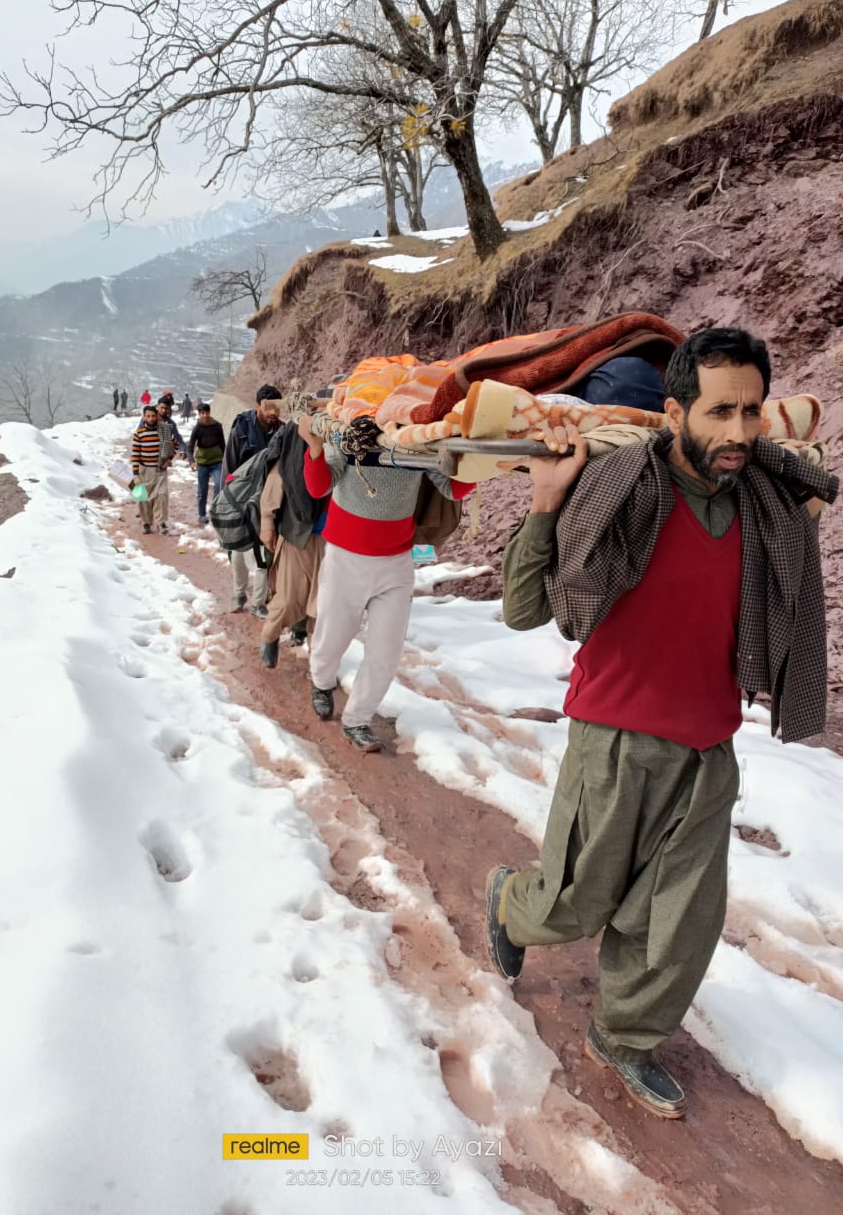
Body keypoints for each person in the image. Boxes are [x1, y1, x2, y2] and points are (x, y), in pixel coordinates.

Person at [486, 327, 837, 1120]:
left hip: (708, 746)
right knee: (576, 902)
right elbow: (524, 609)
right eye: (719, 412)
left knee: (677, 923)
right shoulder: (616, 489)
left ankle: (623, 1037)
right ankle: (511, 901)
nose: (740, 432)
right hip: (613, 737)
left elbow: (789, 564)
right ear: (675, 412)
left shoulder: (766, 504)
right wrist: (545, 503)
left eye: (751, 412)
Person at [299, 417, 476, 752]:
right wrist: (315, 448)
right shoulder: (347, 432)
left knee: (385, 651)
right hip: (345, 558)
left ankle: (357, 719)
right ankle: (321, 682)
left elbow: (452, 488)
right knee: (332, 636)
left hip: (396, 562)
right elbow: (318, 487)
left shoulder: (416, 439)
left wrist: (481, 463)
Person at [257, 421, 327, 668]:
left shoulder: (347, 445)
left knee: (323, 605)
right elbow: (276, 483)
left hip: (334, 542)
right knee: (288, 598)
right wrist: (267, 523)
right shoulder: (295, 445)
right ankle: (270, 636)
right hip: (297, 534)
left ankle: (319, 665)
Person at [224, 385, 284, 615]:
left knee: (262, 554)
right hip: (240, 500)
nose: (273, 412)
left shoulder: (282, 431)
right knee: (238, 554)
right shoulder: (241, 430)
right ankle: (239, 593)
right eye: (268, 407)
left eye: (277, 407)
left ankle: (258, 603)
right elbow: (229, 467)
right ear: (257, 405)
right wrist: (228, 503)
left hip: (267, 503)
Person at [130, 404, 177, 534]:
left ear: (156, 416)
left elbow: (175, 444)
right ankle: (146, 523)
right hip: (144, 471)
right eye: (148, 416)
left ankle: (161, 522)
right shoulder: (138, 434)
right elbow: (135, 455)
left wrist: (169, 459)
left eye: (153, 416)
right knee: (144, 498)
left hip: (160, 470)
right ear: (144, 417)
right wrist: (135, 475)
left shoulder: (164, 431)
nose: (151, 418)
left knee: (161, 496)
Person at [186, 403, 225, 524]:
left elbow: (223, 444)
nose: (205, 415)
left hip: (217, 461)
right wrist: (191, 461)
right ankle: (202, 515)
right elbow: (190, 447)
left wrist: (226, 460)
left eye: (207, 413)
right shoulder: (197, 428)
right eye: (202, 413)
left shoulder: (217, 426)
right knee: (202, 491)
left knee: (219, 485)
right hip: (202, 463)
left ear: (209, 413)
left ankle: (215, 511)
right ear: (199, 414)